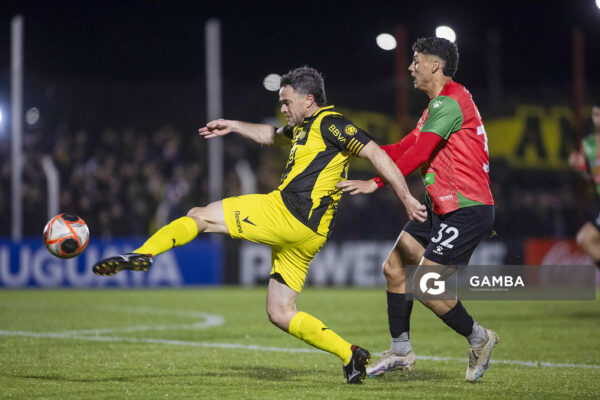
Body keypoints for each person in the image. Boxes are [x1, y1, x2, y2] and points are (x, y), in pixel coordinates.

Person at [92, 66, 427, 384]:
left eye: (286, 101)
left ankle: (144, 253)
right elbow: (271, 135)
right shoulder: (302, 128)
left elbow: (376, 153)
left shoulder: (331, 123)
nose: (282, 107)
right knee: (280, 311)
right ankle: (349, 355)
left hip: (287, 213)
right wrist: (234, 125)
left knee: (200, 214)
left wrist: (406, 198)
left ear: (308, 99)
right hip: (308, 236)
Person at [337, 37, 498, 382]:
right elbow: (401, 147)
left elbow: (418, 155)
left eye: (416, 61)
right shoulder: (436, 107)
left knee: (426, 285)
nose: (411, 68)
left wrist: (377, 183)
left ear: (434, 66)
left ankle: (480, 339)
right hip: (441, 207)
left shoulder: (451, 102)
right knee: (394, 266)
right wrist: (357, 152)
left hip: (466, 209)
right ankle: (400, 351)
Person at [568, 102, 600, 266]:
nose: (598, 120)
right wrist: (579, 167)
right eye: (596, 115)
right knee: (587, 241)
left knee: (585, 238)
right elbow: (591, 177)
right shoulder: (588, 144)